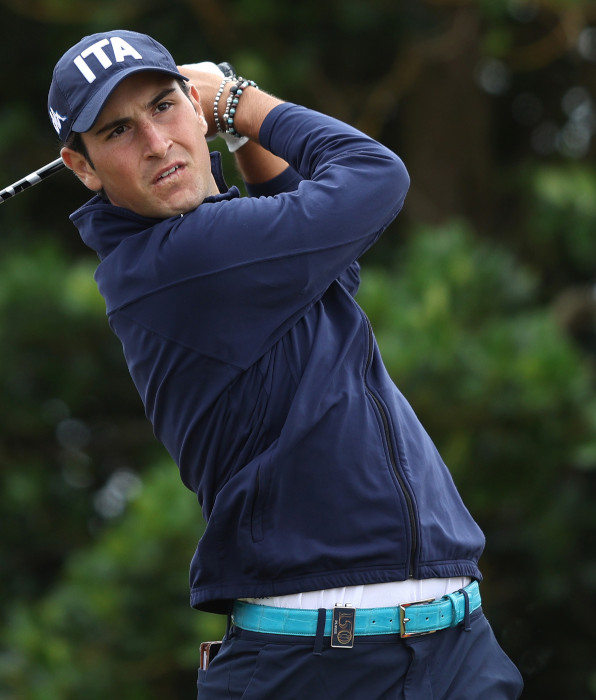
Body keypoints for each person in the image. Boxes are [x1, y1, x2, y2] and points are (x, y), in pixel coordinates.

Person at [47, 29, 524, 699]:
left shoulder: (232, 249)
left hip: (454, 648)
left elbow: (337, 267)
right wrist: (238, 102)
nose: (156, 142)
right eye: (118, 130)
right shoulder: (177, 261)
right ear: (83, 167)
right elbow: (374, 175)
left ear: (190, 109)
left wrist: (239, 135)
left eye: (163, 106)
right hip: (314, 668)